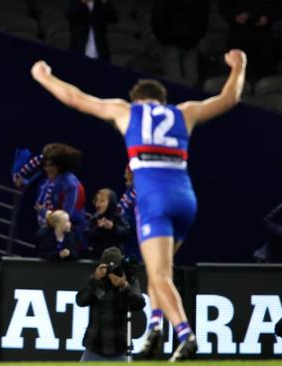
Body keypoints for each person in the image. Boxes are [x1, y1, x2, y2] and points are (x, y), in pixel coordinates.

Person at [31, 48, 247, 361]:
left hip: (154, 200)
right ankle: (156, 327)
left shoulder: (126, 111)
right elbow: (229, 99)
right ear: (162, 100)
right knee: (162, 272)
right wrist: (238, 66)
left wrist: (44, 77)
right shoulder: (184, 112)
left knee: (158, 275)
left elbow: (76, 98)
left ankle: (184, 334)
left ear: (138, 99)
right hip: (186, 199)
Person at [76, 247, 145, 361]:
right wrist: (94, 280)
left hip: (119, 348)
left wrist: (124, 286)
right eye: (107, 266)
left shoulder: (128, 279)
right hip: (94, 346)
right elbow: (80, 301)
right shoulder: (97, 280)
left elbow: (139, 304)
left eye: (114, 266)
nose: (111, 270)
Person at [13, 143, 87, 244]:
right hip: (51, 228)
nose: (46, 169)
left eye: (50, 165)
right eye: (46, 165)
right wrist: (24, 183)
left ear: (59, 165)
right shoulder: (54, 177)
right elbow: (43, 188)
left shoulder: (70, 185)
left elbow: (65, 218)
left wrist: (44, 212)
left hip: (67, 233)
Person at [151, 0, 209, 86]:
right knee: (180, 78)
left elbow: (203, 14)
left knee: (179, 79)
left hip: (184, 41)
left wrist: (163, 38)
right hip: (178, 41)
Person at [220, 0, 282, 80]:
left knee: (264, 70)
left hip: (263, 36)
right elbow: (224, 7)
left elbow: (278, 8)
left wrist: (268, 17)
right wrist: (235, 16)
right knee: (236, 72)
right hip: (238, 35)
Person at [85, 188, 130, 260]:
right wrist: (98, 228)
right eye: (96, 201)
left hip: (115, 258)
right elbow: (88, 235)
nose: (98, 204)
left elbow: (126, 233)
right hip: (98, 257)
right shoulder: (95, 218)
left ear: (111, 203)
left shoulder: (118, 217)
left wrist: (113, 227)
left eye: (102, 201)